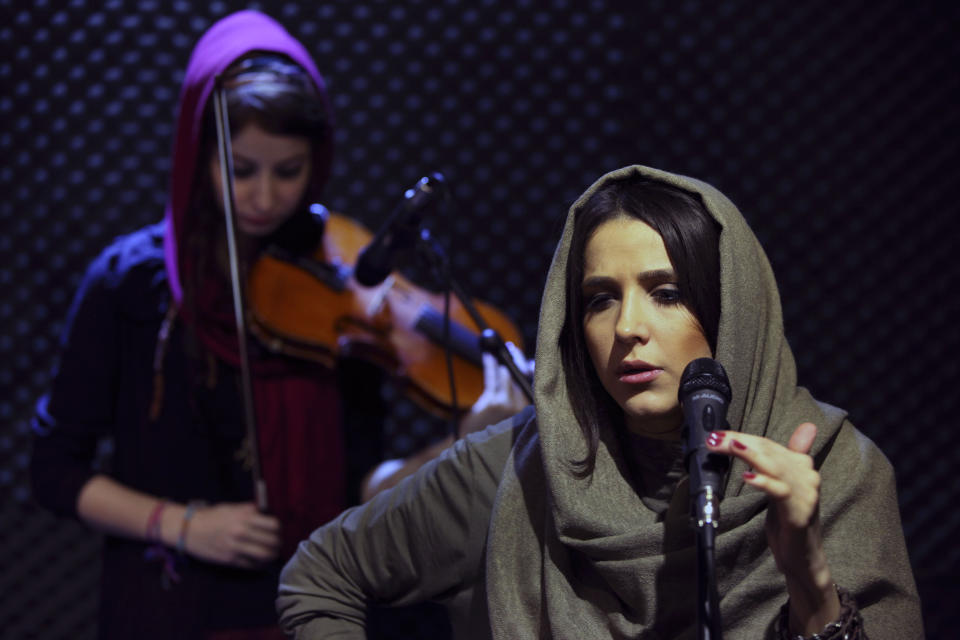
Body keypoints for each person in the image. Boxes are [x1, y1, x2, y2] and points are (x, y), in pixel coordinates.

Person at [30, 11, 526, 640]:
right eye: (241, 170)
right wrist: (183, 525)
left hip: (315, 611)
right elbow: (53, 470)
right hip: (171, 608)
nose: (265, 197)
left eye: (288, 172)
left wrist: (459, 445)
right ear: (196, 153)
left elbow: (360, 486)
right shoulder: (128, 283)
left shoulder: (339, 277)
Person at [277, 165, 924, 639]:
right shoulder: (517, 470)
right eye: (600, 298)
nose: (627, 329)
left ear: (736, 311)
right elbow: (320, 573)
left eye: (667, 292)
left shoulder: (835, 472)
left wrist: (809, 579)